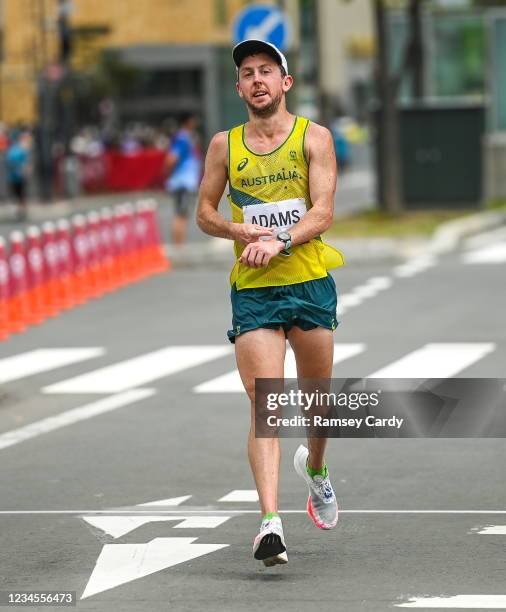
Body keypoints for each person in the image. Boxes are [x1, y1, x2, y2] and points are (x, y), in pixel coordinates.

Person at [196, 39, 344, 567]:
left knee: (317, 404)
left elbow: (323, 211)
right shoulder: (224, 145)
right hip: (254, 290)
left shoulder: (314, 137)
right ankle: (269, 524)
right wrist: (239, 228)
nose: (257, 79)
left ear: (286, 83)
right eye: (247, 73)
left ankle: (319, 470)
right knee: (267, 408)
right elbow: (204, 213)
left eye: (266, 71)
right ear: (238, 87)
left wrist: (279, 240)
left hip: (308, 280)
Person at [166, 113, 202, 245]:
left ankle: (179, 244)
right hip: (183, 182)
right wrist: (169, 175)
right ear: (188, 121)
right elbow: (171, 159)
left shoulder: (189, 137)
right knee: (181, 214)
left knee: (182, 214)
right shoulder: (182, 138)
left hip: (186, 181)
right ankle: (178, 245)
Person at [6, 130, 32, 220]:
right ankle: (21, 210)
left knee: (18, 195)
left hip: (16, 177)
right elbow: (26, 163)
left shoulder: (13, 150)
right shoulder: (20, 150)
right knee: (20, 195)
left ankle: (21, 210)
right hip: (17, 176)